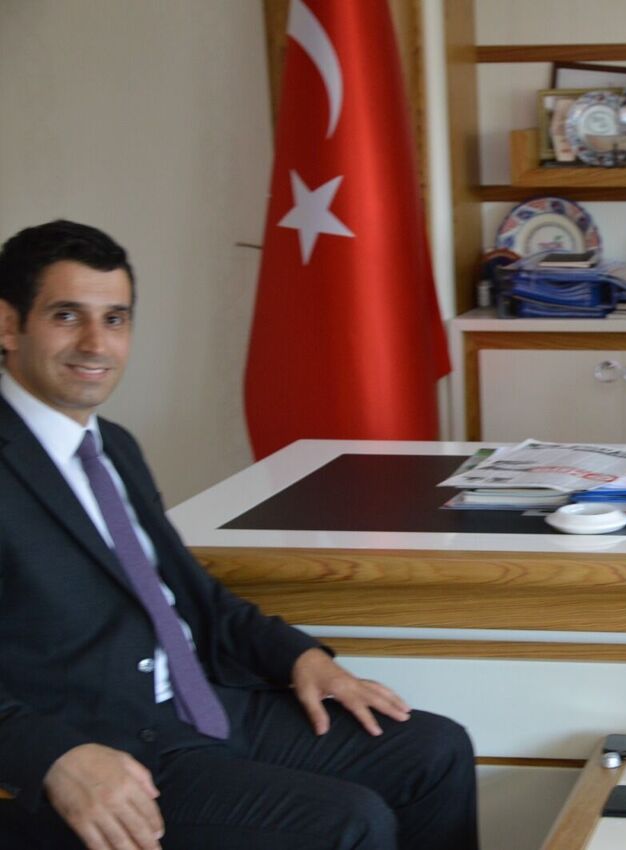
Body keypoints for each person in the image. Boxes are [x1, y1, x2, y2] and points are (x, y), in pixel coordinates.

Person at [0, 220, 478, 850]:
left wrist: (302, 659)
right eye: (67, 316)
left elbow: (194, 598)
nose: (96, 342)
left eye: (115, 319)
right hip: (105, 749)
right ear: (8, 325)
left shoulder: (112, 446)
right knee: (350, 823)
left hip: (205, 704)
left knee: (434, 751)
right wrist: (52, 756)